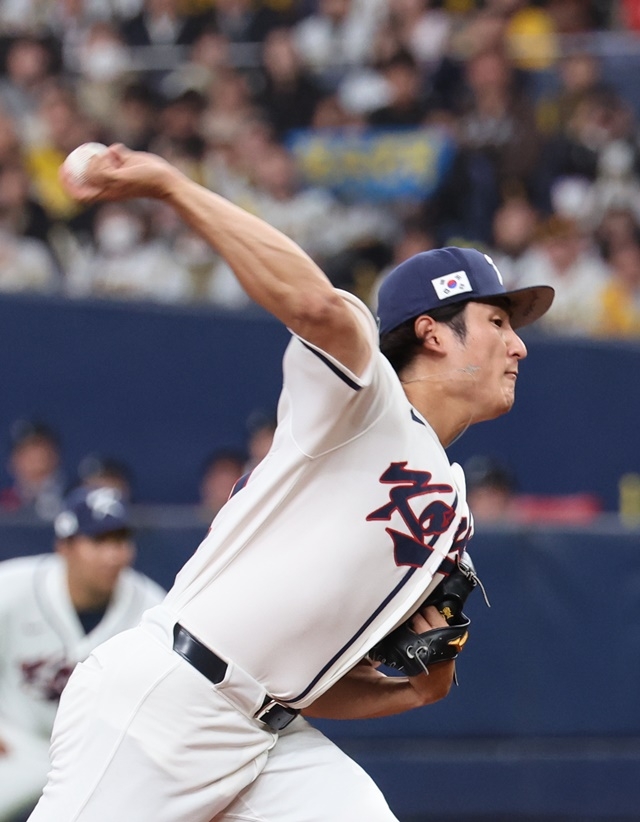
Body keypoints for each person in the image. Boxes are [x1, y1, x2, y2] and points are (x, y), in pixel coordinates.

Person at [29, 144, 554, 822]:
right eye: (498, 322)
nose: (519, 346)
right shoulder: (365, 400)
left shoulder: (452, 510)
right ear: (432, 332)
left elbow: (306, 683)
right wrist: (170, 185)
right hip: (165, 702)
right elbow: (314, 304)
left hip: (267, 738)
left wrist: (418, 689)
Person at [0, 485, 165, 822]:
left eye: (120, 541)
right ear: (65, 547)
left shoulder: (152, 609)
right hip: (16, 745)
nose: (113, 555)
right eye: (98, 541)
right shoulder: (12, 586)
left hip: (100, 760)